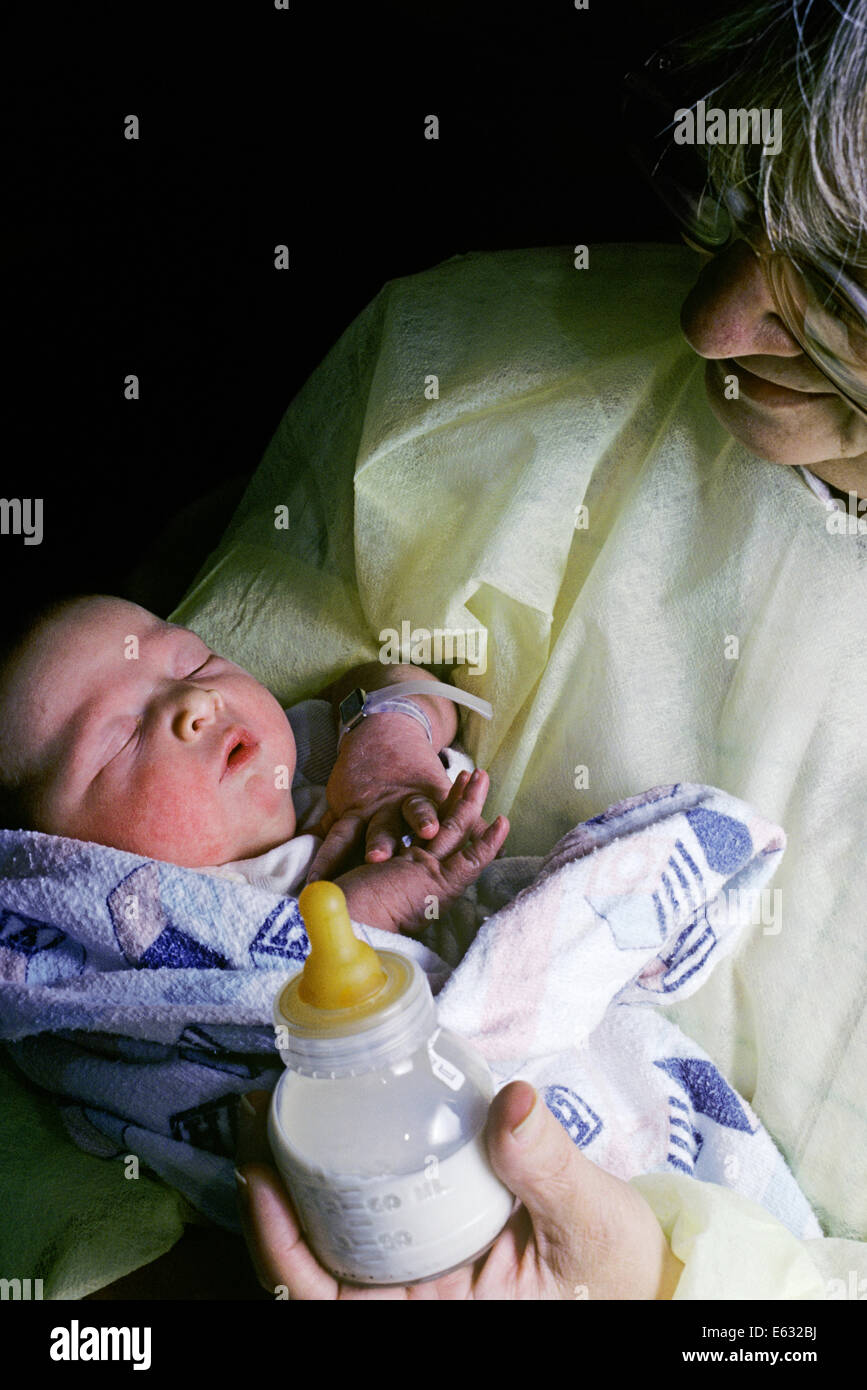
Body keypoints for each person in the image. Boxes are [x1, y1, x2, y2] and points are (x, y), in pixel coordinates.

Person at [229, 0, 867, 1299]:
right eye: (747, 202)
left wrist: (667, 1283)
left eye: (842, 284)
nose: (709, 318)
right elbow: (68, 951)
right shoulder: (454, 394)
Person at [0, 593, 509, 935]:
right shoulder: (149, 919)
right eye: (121, 739)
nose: (196, 700)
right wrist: (355, 923)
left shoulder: (318, 757)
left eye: (193, 663)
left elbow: (400, 680)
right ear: (57, 855)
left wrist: (385, 736)